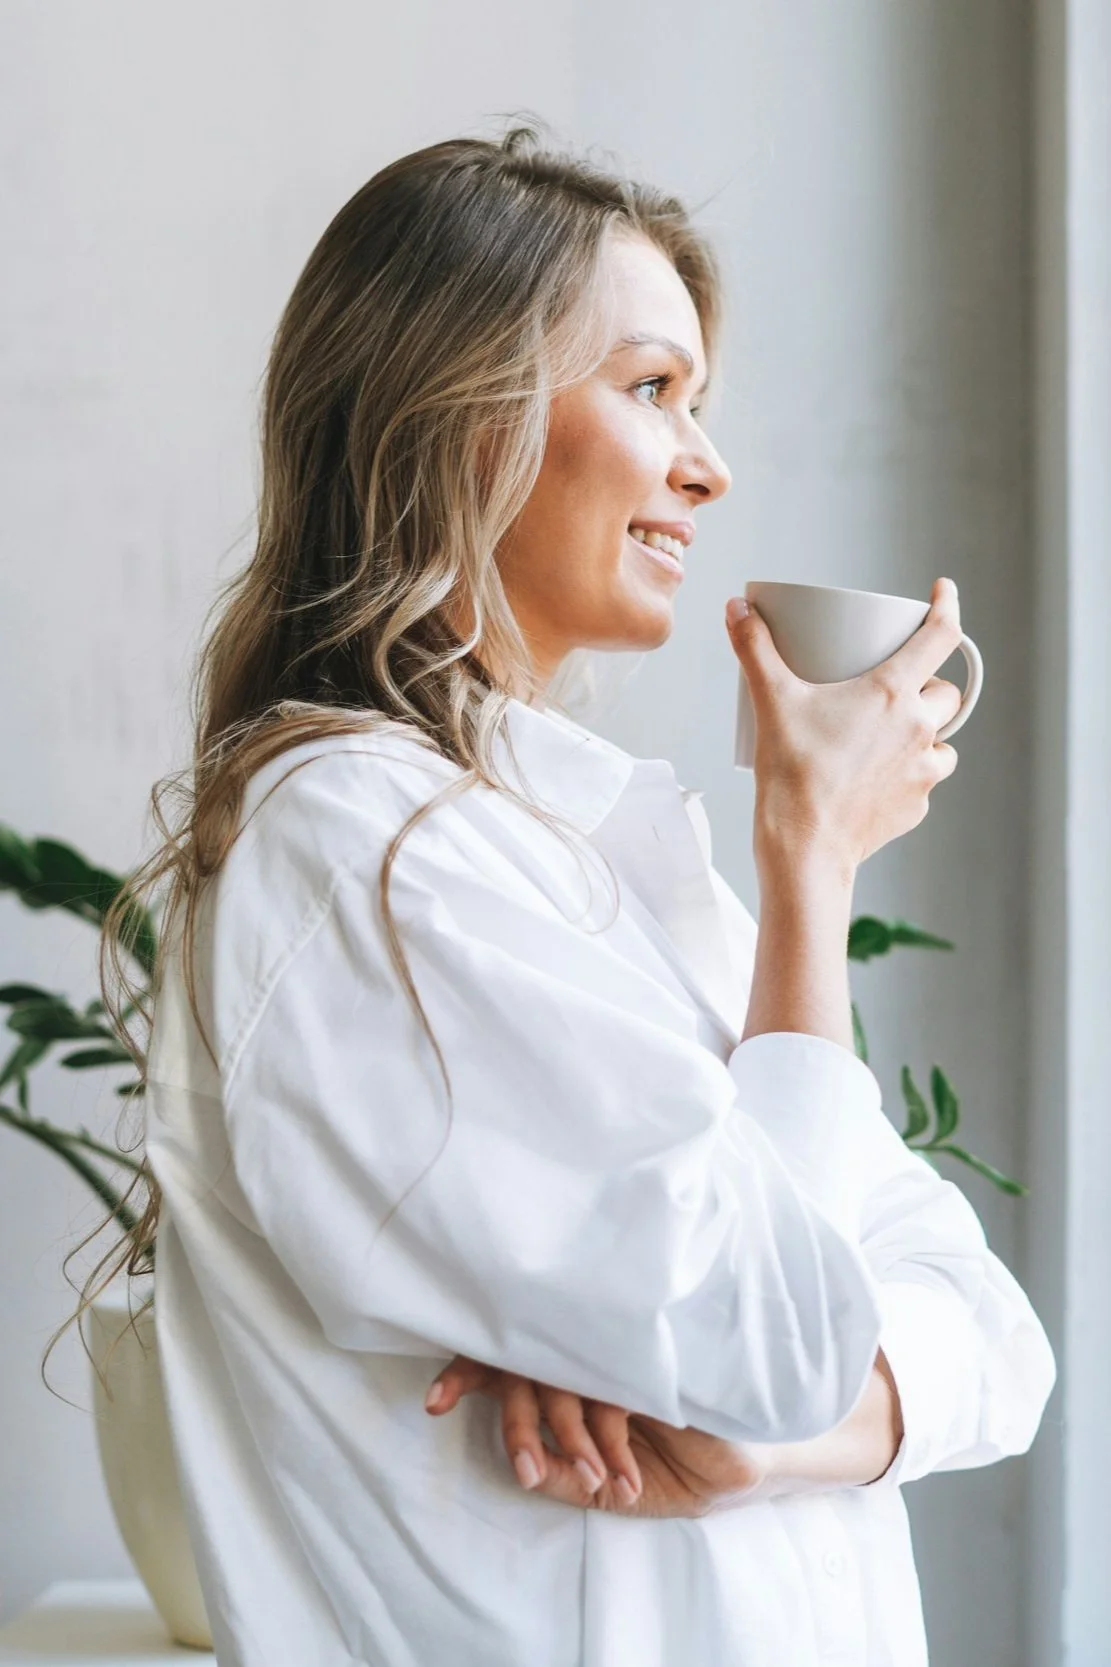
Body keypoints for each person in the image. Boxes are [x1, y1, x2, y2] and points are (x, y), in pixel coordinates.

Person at [110, 126, 1054, 1666]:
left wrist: (773, 1442)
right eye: (648, 388)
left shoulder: (603, 863)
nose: (709, 462)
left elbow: (997, 1342)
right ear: (457, 413)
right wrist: (810, 862)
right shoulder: (353, 841)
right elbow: (780, 1332)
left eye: (700, 400)